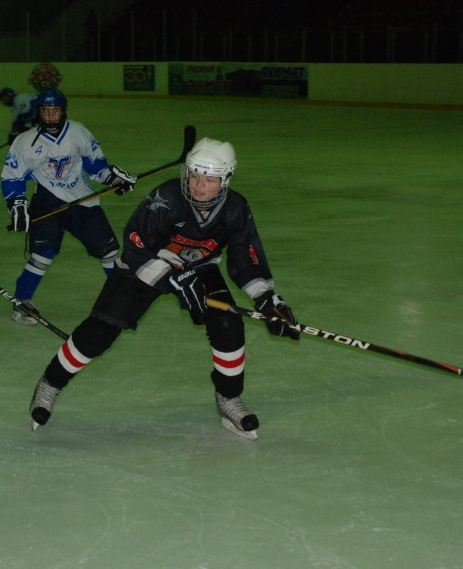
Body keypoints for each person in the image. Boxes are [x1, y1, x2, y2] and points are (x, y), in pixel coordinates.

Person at [27, 138, 300, 441]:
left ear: (225, 180)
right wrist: (173, 279)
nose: (198, 185)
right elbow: (135, 244)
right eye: (194, 175)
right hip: (142, 266)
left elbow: (245, 260)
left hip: (198, 268)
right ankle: (50, 384)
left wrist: (267, 300)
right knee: (100, 331)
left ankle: (228, 398)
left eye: (209, 180)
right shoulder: (166, 198)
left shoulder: (236, 208)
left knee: (228, 323)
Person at [0, 89, 136, 325]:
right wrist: (16, 202)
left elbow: (97, 167)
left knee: (108, 252)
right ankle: (22, 300)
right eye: (46, 111)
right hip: (47, 201)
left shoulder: (78, 132)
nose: (51, 116)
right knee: (43, 253)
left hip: (82, 199)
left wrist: (114, 179)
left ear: (63, 110)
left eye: (55, 110)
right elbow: (12, 177)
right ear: (39, 112)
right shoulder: (24, 142)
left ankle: (121, 301)